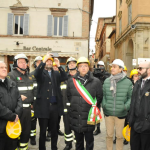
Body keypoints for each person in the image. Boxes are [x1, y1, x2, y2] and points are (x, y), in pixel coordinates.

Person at [67, 57, 103, 150]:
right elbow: (69, 96)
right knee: (78, 143)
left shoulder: (96, 81)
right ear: (77, 68)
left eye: (85, 66)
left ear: (88, 68)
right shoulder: (71, 81)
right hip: (76, 117)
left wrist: (92, 109)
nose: (83, 68)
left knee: (89, 143)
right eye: (81, 66)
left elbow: (99, 97)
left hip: (89, 117)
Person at [34, 52, 67, 150]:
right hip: (43, 107)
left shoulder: (56, 73)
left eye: (50, 61)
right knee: (43, 131)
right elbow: (36, 73)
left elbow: (65, 77)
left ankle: (54, 147)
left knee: (54, 130)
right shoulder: (40, 73)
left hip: (55, 107)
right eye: (47, 61)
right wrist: (43, 61)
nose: (49, 63)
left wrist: (60, 66)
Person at [102, 59, 132, 150]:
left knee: (119, 136)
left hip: (121, 114)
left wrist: (125, 107)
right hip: (108, 113)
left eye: (114, 67)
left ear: (121, 69)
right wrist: (105, 105)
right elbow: (104, 96)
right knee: (109, 135)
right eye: (112, 66)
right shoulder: (107, 81)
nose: (112, 68)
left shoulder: (128, 82)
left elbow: (130, 98)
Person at [7, 53, 34, 150]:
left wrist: (33, 104)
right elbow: (7, 92)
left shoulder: (29, 76)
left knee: (26, 132)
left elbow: (33, 91)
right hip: (16, 109)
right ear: (15, 64)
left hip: (27, 109)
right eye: (21, 62)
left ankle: (23, 148)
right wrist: (18, 96)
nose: (23, 64)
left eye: (25, 62)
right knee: (15, 132)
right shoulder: (11, 75)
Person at [0, 61, 23, 150]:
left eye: (5, 67)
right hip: (1, 127)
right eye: (1, 67)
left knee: (12, 147)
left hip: (13, 125)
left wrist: (16, 115)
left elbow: (19, 99)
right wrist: (12, 116)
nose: (4, 69)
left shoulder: (12, 83)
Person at [128, 61, 150, 150]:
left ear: (149, 70)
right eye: (138, 68)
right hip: (135, 125)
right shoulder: (137, 83)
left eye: (140, 68)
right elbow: (133, 102)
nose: (138, 71)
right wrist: (130, 119)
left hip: (147, 127)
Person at [62, 57, 77, 150]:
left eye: (73, 63)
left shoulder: (80, 77)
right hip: (66, 108)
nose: (71, 64)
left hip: (77, 107)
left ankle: (78, 144)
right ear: (67, 66)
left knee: (77, 127)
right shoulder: (64, 78)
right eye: (70, 63)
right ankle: (68, 144)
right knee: (67, 127)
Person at [93, 60, 110, 136]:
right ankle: (98, 128)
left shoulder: (107, 74)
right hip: (97, 96)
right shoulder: (94, 74)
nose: (100, 68)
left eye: (101, 67)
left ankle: (109, 128)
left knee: (107, 112)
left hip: (106, 96)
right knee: (97, 112)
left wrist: (103, 76)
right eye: (99, 67)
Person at [30, 56, 43, 145]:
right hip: (33, 103)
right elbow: (29, 90)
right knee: (32, 121)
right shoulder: (30, 75)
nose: (39, 64)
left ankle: (43, 137)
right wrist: (30, 102)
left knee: (43, 122)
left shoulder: (45, 74)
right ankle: (32, 138)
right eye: (37, 62)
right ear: (35, 64)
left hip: (43, 103)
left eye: (40, 62)